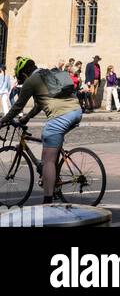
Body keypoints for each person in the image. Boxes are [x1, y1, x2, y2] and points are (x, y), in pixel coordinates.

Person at [0, 56, 81, 205]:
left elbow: (17, 106)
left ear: (24, 73)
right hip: (76, 111)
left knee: (48, 158)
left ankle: (47, 200)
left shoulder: (31, 81)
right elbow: (39, 105)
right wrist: (27, 118)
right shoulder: (46, 74)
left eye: (21, 77)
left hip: (61, 116)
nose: (22, 81)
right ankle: (54, 181)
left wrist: (2, 121)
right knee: (51, 144)